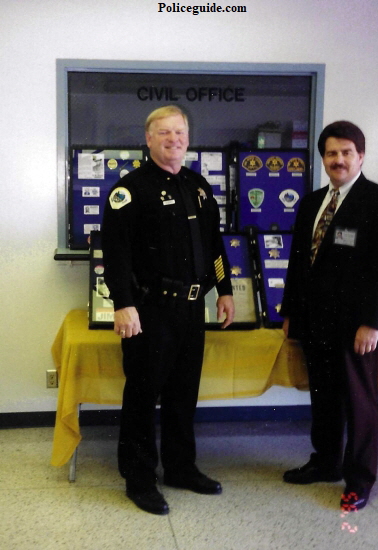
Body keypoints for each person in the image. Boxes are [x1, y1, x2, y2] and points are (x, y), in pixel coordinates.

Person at [101, 105, 235, 515]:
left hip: (193, 311)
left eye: (179, 132)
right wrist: (123, 304)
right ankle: (139, 479)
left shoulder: (198, 186)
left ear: (188, 138)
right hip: (149, 310)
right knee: (143, 396)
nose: (173, 139)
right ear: (148, 139)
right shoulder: (130, 190)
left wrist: (225, 290)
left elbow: (215, 245)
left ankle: (180, 468)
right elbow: (116, 255)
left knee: (183, 396)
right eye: (164, 133)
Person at [280, 121, 378, 511]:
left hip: (357, 328)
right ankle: (326, 462)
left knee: (359, 405)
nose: (339, 160)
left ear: (361, 156)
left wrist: (374, 322)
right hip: (316, 323)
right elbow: (299, 263)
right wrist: (290, 314)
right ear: (323, 158)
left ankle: (359, 480)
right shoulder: (312, 202)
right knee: (324, 400)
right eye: (331, 153)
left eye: (347, 152)